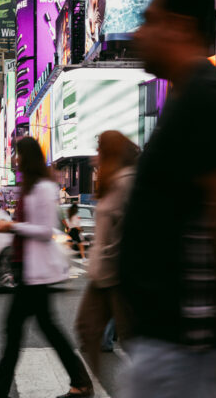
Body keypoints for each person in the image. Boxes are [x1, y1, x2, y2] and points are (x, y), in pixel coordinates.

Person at [118, 0, 216, 397]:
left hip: (193, 353)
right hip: (172, 349)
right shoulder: (186, 99)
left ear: (179, 27)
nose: (137, 33)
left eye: (149, 21)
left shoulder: (210, 98)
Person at [0, 136, 92, 398]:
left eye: (18, 154)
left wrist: (11, 226)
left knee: (16, 331)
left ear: (28, 157)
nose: (14, 159)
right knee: (43, 328)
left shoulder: (44, 188)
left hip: (36, 272)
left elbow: (46, 231)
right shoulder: (32, 187)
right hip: (27, 269)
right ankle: (81, 382)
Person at [75, 130, 137, 374]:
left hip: (118, 275)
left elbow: (130, 230)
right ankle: (86, 384)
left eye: (99, 149)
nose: (95, 155)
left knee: (132, 339)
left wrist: (108, 258)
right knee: (87, 328)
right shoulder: (114, 182)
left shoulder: (126, 182)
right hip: (104, 274)